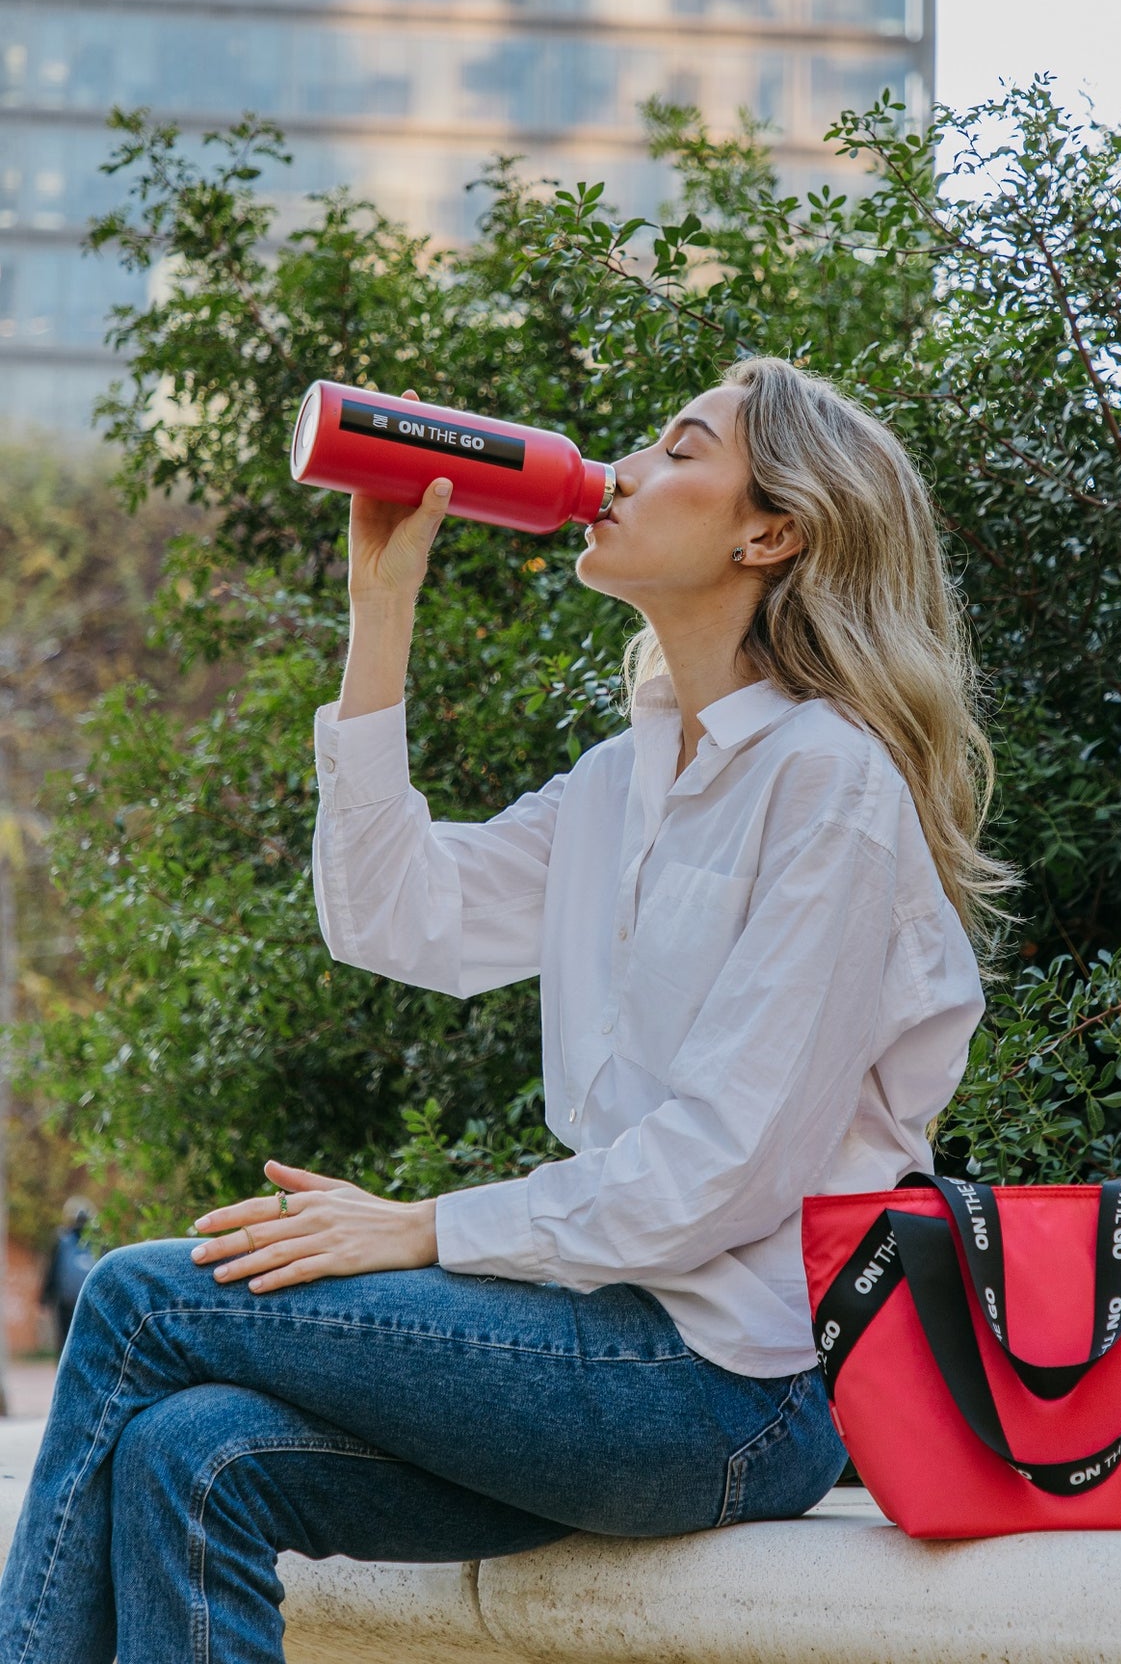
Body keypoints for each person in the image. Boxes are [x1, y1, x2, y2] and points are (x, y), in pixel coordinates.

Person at [0, 356, 1008, 1663]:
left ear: (773, 530)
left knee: (142, 1298)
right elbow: (395, 914)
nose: (629, 469)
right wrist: (381, 606)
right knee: (188, 1455)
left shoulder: (831, 789)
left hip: (730, 1393)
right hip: (600, 1354)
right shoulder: (620, 783)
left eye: (679, 447)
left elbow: (729, 1167)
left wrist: (420, 1230)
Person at [38, 1198, 97, 1351]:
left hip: (74, 1303)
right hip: (80, 1301)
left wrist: (45, 1297)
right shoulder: (93, 1241)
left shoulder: (64, 1240)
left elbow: (52, 1269)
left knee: (69, 1342)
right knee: (80, 1340)